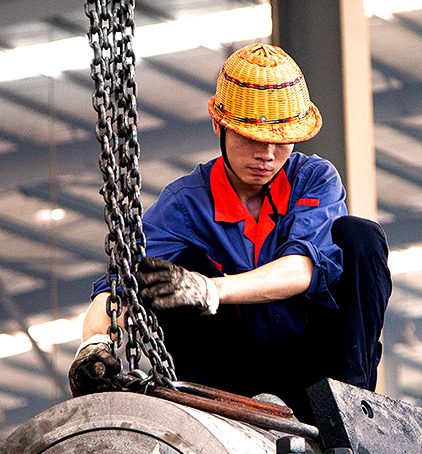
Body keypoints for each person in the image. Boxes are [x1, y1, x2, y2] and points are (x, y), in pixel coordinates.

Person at [68, 43, 392, 422]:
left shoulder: (314, 179)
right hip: (229, 380)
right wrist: (93, 346)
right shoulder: (186, 203)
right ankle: (207, 411)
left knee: (360, 237)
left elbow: (302, 269)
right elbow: (120, 286)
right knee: (173, 271)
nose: (266, 155)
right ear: (218, 126)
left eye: (279, 141)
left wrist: (210, 290)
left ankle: (351, 410)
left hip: (314, 371)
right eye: (252, 138)